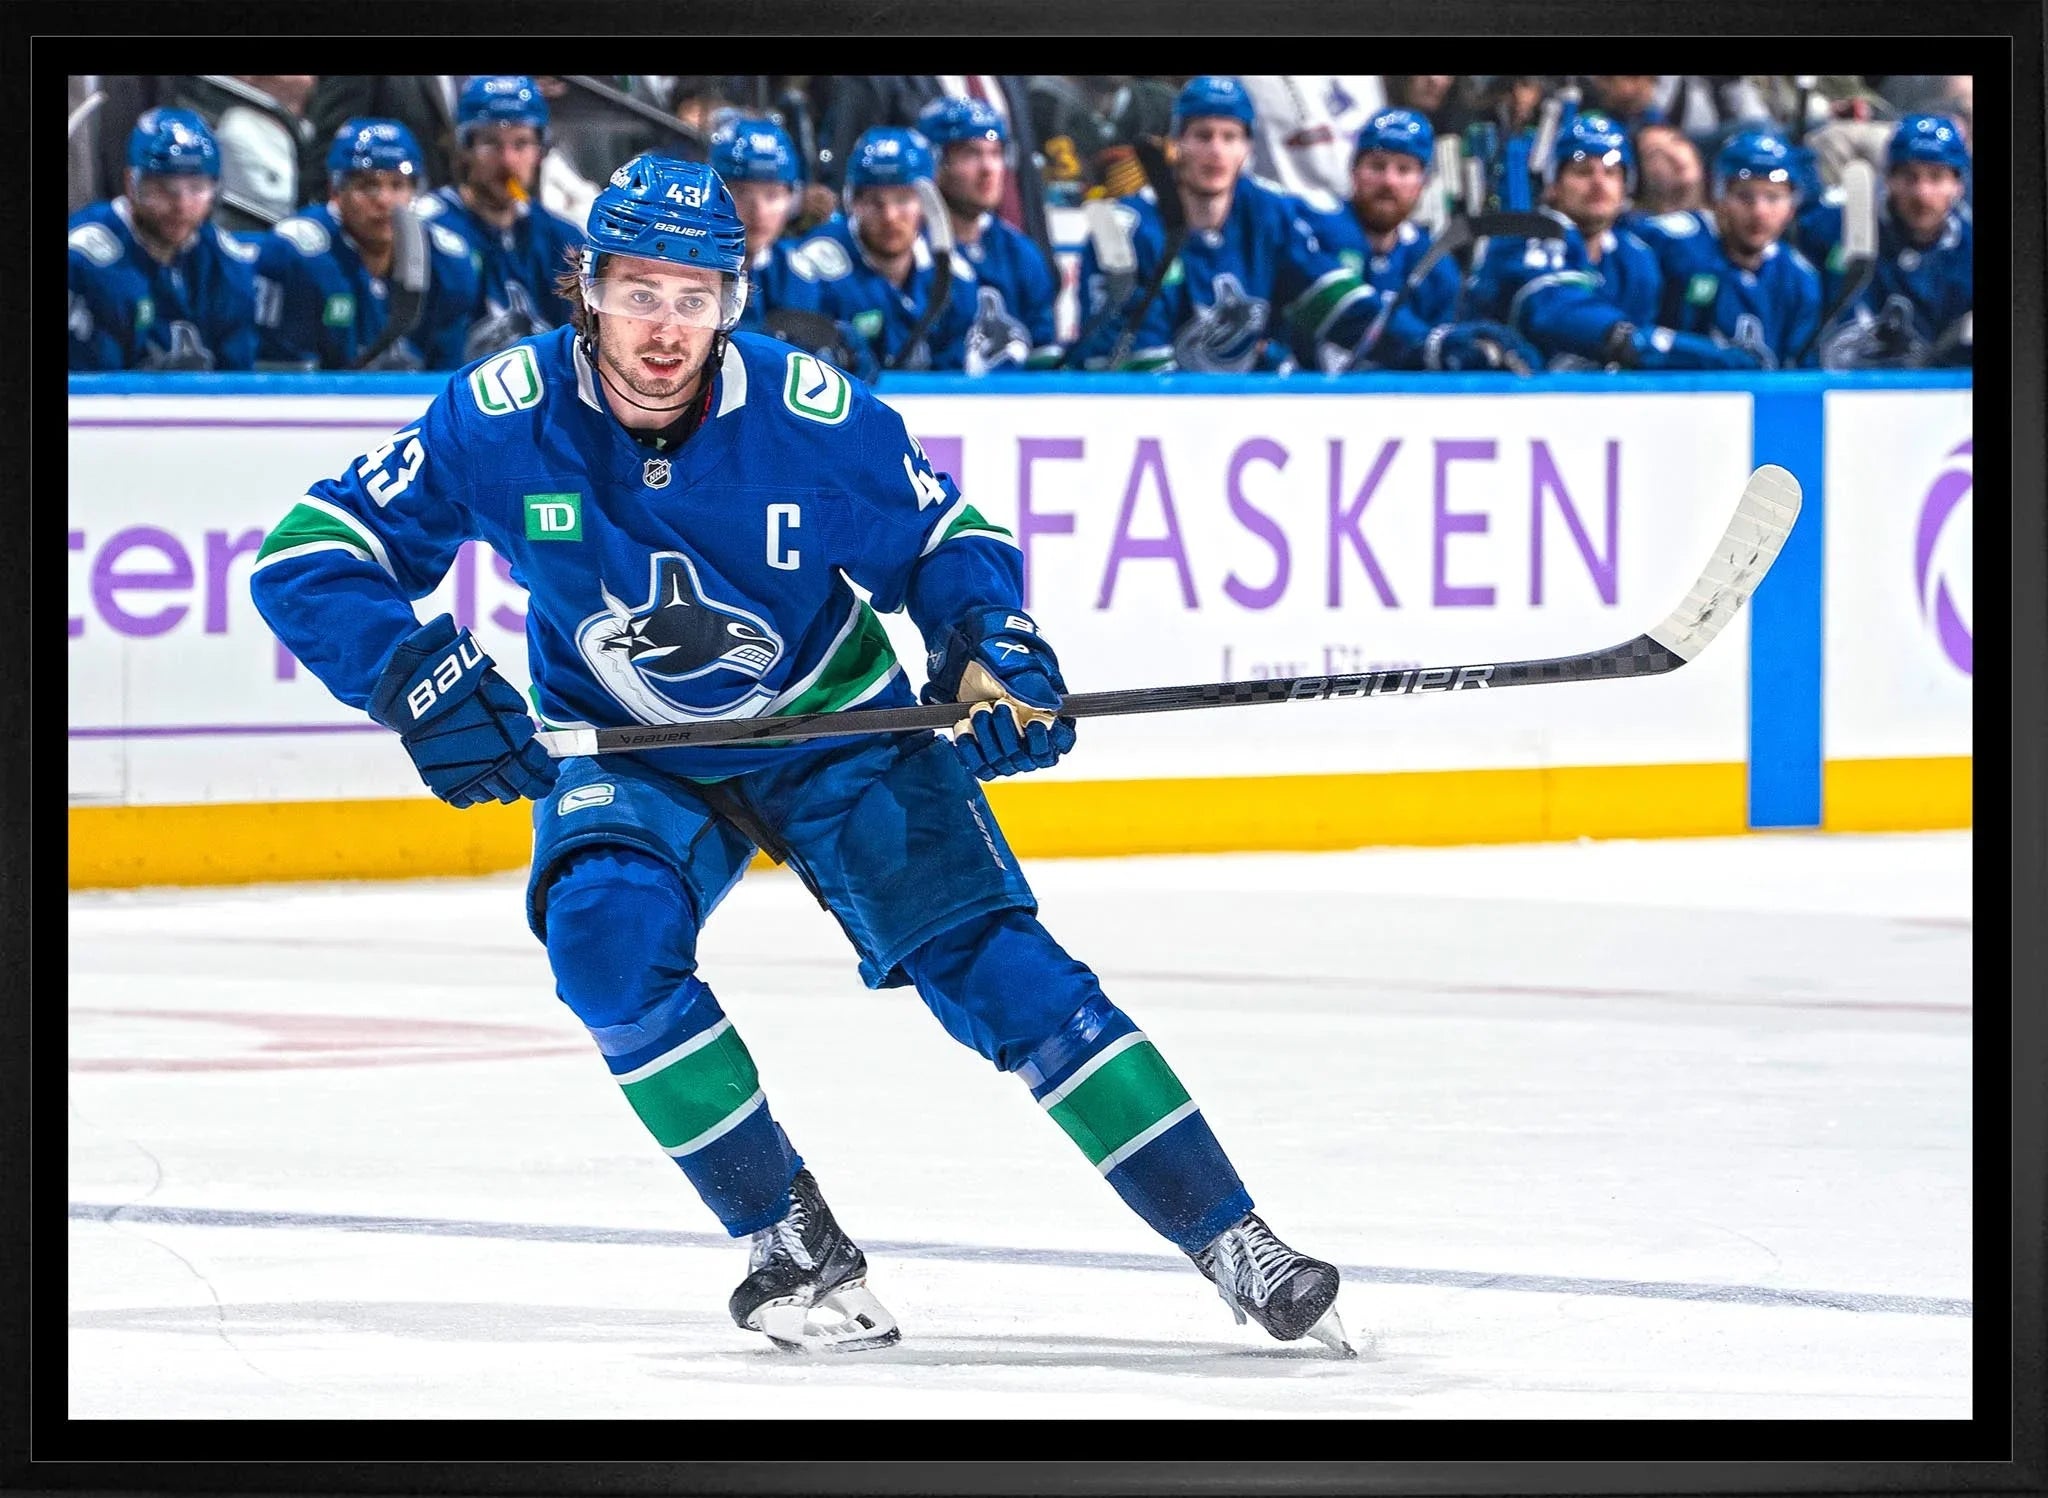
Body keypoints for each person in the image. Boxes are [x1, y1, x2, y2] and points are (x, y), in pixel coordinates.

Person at [245, 152, 1356, 1358]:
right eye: (638, 293)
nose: (664, 330)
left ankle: (1232, 1235)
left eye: (694, 297)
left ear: (732, 299)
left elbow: (944, 532)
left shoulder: (804, 412)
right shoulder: (498, 413)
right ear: (585, 286)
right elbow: (306, 555)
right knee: (605, 941)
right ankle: (784, 1236)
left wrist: (986, 641)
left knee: (1005, 977)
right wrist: (412, 679)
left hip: (835, 731)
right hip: (637, 751)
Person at [1074, 77, 1532, 374]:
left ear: (1247, 150)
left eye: (1229, 137)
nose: (1216, 151)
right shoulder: (1129, 226)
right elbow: (1131, 359)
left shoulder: (1269, 213)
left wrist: (1434, 345)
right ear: (1176, 146)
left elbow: (1341, 311)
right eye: (1202, 136)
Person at [1462, 112, 1756, 371]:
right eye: (1582, 171)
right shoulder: (1525, 236)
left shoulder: (1636, 257)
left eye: (1612, 171)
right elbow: (1551, 311)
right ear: (1553, 185)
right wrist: (1632, 340)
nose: (1599, 182)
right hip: (1506, 407)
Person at [251, 119, 486, 371]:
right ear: (335, 191)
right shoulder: (297, 254)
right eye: (367, 186)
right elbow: (285, 386)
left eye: (397, 185)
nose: (384, 201)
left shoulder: (448, 260)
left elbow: (446, 378)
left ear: (415, 192)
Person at [69, 107, 259, 371]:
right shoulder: (86, 260)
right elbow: (93, 393)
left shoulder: (226, 263)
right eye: (162, 189)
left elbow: (238, 381)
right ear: (130, 184)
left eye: (197, 188)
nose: (181, 205)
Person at [415, 75, 586, 355]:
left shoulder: (561, 237)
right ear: (464, 149)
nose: (508, 160)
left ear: (540, 152)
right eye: (492, 144)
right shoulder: (427, 228)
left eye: (521, 144)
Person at [1628, 126, 1822, 367]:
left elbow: (1798, 374)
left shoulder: (1799, 278)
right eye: (1744, 196)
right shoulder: (1670, 242)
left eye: (1773, 197)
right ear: (1717, 198)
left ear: (1791, 208)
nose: (1759, 212)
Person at [785, 126, 975, 372]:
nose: (890, 216)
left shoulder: (955, 276)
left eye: (903, 199)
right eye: (875, 202)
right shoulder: (812, 268)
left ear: (926, 203)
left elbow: (955, 381)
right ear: (852, 201)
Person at [1794, 112, 1972, 367]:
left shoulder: (1967, 250)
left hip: (1928, 397)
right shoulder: (1836, 224)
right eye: (1910, 177)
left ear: (1958, 184)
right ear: (1888, 178)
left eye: (1936, 177)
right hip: (1836, 387)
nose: (1922, 193)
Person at [916, 95, 1061, 372]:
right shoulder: (910, 252)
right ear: (934, 162)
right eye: (971, 154)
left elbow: (1044, 354)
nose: (988, 169)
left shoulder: (1021, 253)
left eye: (995, 153)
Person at [1631, 123, 1705, 215]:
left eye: (1677, 141)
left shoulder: (1719, 223)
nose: (1674, 154)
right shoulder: (1637, 227)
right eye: (1655, 153)